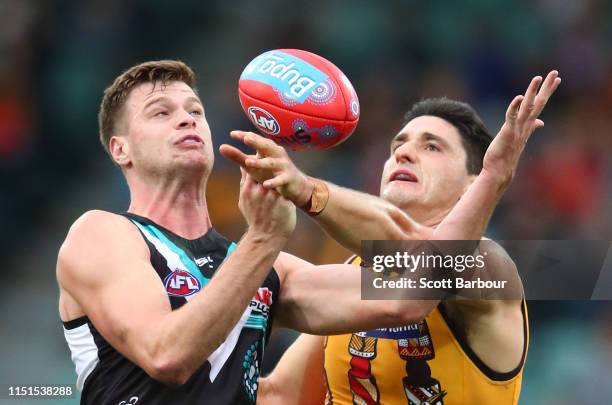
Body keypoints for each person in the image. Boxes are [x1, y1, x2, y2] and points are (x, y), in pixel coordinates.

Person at [56, 59, 556, 404]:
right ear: (120, 149)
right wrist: (264, 238)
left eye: (195, 111)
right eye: (162, 113)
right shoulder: (102, 234)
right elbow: (168, 356)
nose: (186, 119)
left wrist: (493, 178)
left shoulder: (491, 265)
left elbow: (419, 288)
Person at [221, 72, 561, 404]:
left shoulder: (492, 267)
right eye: (397, 145)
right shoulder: (354, 276)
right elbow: (278, 395)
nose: (403, 153)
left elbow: (425, 258)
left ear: (473, 182)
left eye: (432, 147)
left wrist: (308, 190)